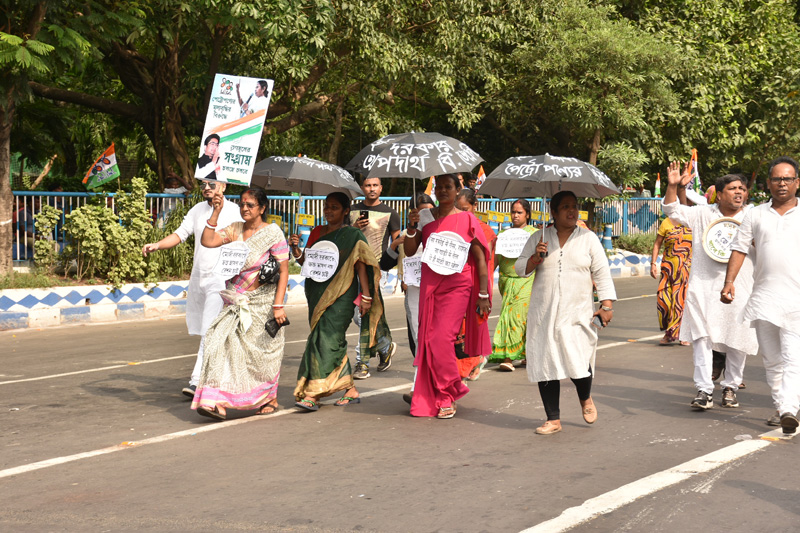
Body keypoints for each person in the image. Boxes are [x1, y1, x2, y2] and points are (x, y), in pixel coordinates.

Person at [515, 191, 616, 435]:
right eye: (566, 207)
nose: (572, 211)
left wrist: (607, 305)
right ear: (554, 212)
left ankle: (585, 398)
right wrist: (534, 259)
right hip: (544, 312)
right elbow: (520, 269)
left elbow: (601, 272)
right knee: (545, 360)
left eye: (575, 206)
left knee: (578, 357)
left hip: (578, 311)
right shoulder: (540, 237)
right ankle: (553, 418)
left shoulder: (588, 238)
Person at [662, 161, 757, 411]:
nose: (739, 193)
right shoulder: (703, 214)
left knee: (737, 338)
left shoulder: (754, 217)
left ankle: (731, 387)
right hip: (702, 288)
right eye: (733, 189)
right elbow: (673, 210)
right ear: (719, 193)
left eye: (743, 189)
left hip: (741, 287)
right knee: (701, 338)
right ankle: (704, 390)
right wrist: (672, 186)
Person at [189, 187, 290, 420]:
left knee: (260, 355)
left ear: (262, 209)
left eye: (250, 205)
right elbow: (208, 240)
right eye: (242, 204)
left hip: (261, 302)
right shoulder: (235, 229)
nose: (245, 208)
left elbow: (283, 271)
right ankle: (216, 401)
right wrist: (215, 212)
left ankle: (269, 398)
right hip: (234, 300)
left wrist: (278, 305)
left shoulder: (273, 234)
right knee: (217, 341)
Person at [289, 192, 391, 410]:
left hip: (342, 294)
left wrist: (365, 296)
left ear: (346, 211)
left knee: (328, 338)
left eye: (334, 207)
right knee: (322, 338)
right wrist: (296, 249)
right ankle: (350, 389)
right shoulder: (317, 231)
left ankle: (314, 393)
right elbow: (308, 262)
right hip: (317, 293)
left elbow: (361, 264)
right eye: (326, 207)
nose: (328, 211)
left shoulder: (352, 234)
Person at [142, 179, 243, 397]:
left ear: (224, 186)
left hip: (222, 280)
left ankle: (198, 380)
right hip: (199, 278)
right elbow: (180, 234)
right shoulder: (197, 210)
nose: (207, 188)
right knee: (209, 331)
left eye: (212, 184)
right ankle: (225, 378)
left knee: (209, 329)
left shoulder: (236, 212)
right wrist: (157, 245)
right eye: (203, 184)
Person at [721, 156, 800, 432]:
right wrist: (729, 282)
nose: (782, 183)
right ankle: (783, 407)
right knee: (772, 359)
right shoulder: (754, 214)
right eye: (777, 179)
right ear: (768, 183)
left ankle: (790, 407)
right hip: (764, 298)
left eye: (787, 179)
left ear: (797, 183)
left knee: (793, 356)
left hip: (797, 301)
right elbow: (740, 247)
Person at [404, 174, 491, 419]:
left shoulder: (466, 218)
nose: (443, 191)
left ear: (457, 190)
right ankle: (438, 395)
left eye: (448, 187)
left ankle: (447, 394)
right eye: (439, 187)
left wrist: (483, 293)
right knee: (429, 341)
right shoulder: (425, 220)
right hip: (431, 286)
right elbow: (410, 251)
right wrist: (412, 227)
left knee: (442, 339)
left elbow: (480, 258)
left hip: (457, 286)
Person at [349, 177, 400, 379]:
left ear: (381, 188)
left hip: (376, 268)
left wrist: (397, 268)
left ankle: (362, 363)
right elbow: (344, 235)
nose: (371, 189)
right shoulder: (352, 210)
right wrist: (353, 227)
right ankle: (385, 345)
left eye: (375, 185)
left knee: (365, 313)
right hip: (351, 266)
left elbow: (397, 242)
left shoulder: (391, 213)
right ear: (362, 188)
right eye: (368, 185)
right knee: (359, 313)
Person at [490, 199, 537, 371]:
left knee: (514, 316)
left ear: (527, 215)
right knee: (515, 316)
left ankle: (508, 356)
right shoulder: (504, 234)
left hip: (525, 280)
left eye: (520, 212)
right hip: (506, 280)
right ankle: (524, 353)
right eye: (513, 212)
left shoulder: (534, 234)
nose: (515, 215)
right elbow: (495, 258)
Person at [455, 187, 496, 380]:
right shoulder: (452, 226)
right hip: (456, 284)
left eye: (465, 209)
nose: (462, 213)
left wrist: (483, 293)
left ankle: (471, 363)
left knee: (473, 326)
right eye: (458, 209)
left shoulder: (484, 230)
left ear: (474, 206)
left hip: (477, 285)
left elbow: (484, 261)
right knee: (458, 329)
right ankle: (465, 365)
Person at [650, 216, 692, 346]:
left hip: (686, 269)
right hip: (667, 269)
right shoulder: (666, 223)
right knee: (664, 301)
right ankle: (671, 331)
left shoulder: (691, 221)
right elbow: (657, 243)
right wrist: (653, 263)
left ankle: (679, 334)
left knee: (680, 301)